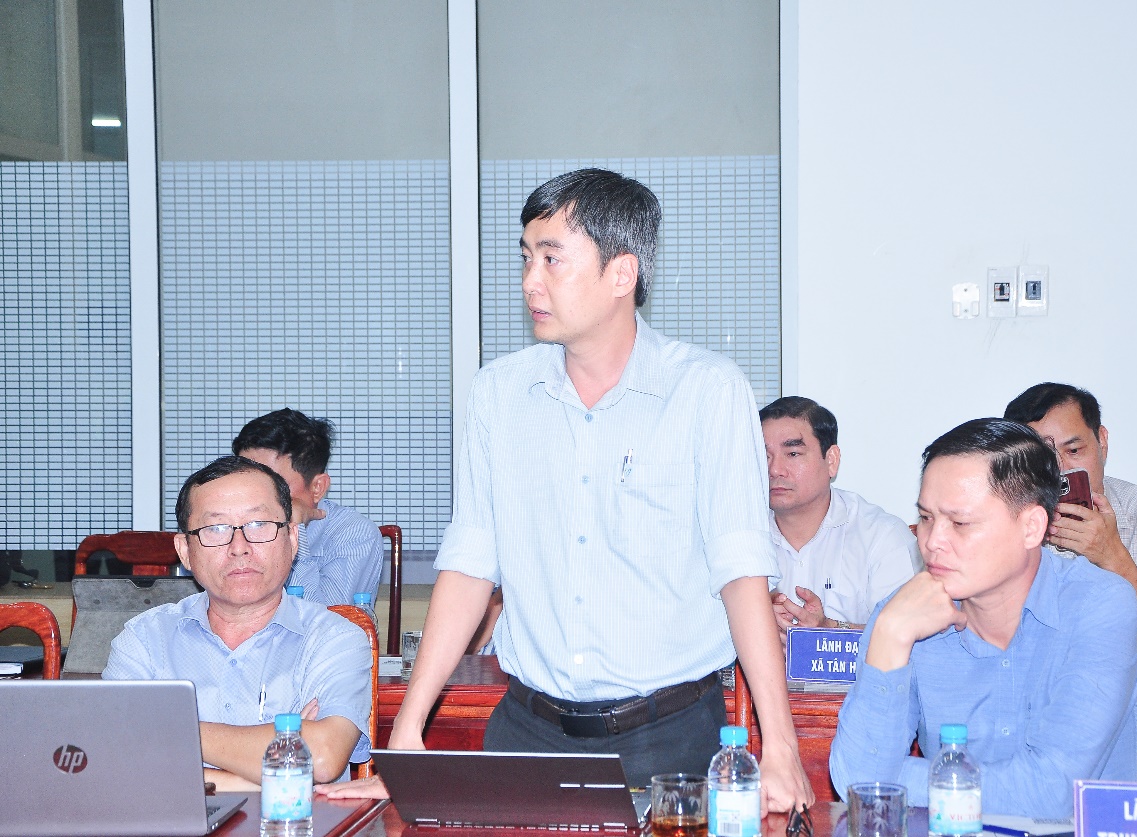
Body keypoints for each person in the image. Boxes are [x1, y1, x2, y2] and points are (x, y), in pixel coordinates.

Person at [322, 168, 812, 810]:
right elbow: (470, 566)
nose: (531, 280)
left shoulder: (705, 392)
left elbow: (741, 574)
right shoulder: (500, 394)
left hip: (669, 739)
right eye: (526, 257)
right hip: (525, 732)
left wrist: (781, 746)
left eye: (552, 258)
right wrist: (408, 731)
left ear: (622, 272)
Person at [830, 418, 1137, 818]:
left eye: (960, 523)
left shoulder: (1098, 605)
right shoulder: (903, 615)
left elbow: (1053, 794)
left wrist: (895, 778)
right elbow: (855, 783)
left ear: (1032, 527)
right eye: (926, 518)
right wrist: (890, 635)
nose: (932, 542)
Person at [102, 455, 372, 789]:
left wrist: (162, 728)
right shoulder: (143, 639)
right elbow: (113, 761)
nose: (239, 548)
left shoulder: (335, 638)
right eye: (215, 529)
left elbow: (321, 758)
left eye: (259, 525)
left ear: (292, 539)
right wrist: (277, 766)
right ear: (185, 551)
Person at [1004, 383, 1137, 674]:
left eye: (1074, 450)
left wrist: (1111, 555)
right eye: (1041, 458)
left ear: (1102, 441)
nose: (1060, 470)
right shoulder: (999, 521)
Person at [760, 396, 919, 637]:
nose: (774, 470)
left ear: (831, 461)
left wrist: (828, 629)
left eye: (792, 453)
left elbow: (910, 635)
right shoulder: (737, 537)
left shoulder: (881, 536)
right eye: (764, 456)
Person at [233, 408, 382, 607]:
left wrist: (294, 533)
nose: (253, 495)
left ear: (317, 487)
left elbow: (324, 618)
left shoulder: (354, 533)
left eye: (272, 483)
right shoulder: (230, 526)